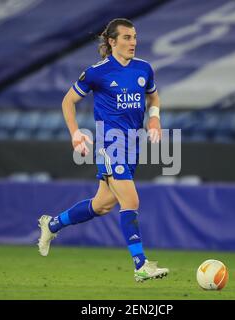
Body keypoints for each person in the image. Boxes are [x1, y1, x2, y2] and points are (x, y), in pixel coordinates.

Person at [37, 18, 169, 282]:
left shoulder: (144, 69)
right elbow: (67, 101)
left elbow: (153, 96)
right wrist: (75, 133)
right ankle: (140, 265)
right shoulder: (98, 72)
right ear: (112, 41)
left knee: (101, 205)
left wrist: (154, 118)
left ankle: (51, 224)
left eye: (134, 37)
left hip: (133, 145)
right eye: (127, 38)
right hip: (111, 145)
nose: (133, 42)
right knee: (131, 201)